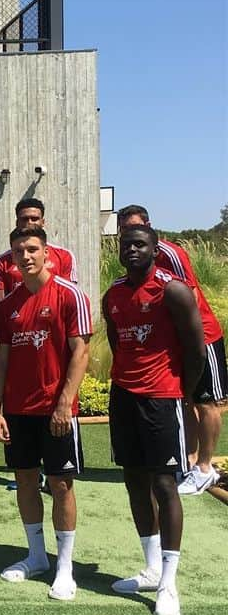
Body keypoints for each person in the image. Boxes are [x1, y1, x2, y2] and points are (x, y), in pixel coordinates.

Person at [103, 224, 204, 615]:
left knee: (164, 483)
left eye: (139, 244)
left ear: (155, 249)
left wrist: (182, 390)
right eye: (126, 244)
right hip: (123, 397)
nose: (131, 250)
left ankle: (169, 583)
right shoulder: (113, 294)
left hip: (162, 398)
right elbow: (117, 341)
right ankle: (150, 568)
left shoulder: (173, 290)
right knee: (134, 479)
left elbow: (195, 348)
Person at [0, 226, 92, 600]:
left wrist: (65, 402)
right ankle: (36, 557)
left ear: (46, 252)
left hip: (56, 411)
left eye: (32, 249)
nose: (26, 256)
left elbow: (80, 353)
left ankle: (64, 566)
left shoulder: (70, 295)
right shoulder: (8, 305)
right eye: (19, 251)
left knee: (62, 484)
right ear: (12, 258)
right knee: (25, 481)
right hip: (18, 410)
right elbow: (1, 359)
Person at [117, 205, 226, 497]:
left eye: (135, 228)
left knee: (207, 401)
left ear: (150, 227)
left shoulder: (171, 253)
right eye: (124, 230)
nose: (130, 236)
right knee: (186, 400)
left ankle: (205, 468)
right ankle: (188, 461)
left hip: (201, 336)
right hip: (170, 342)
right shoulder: (130, 255)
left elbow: (187, 295)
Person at [0, 198, 78, 298]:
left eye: (34, 218)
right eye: (24, 219)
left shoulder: (64, 256)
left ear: (43, 222)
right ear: (17, 222)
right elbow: (0, 302)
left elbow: (70, 295)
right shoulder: (2, 261)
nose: (30, 223)